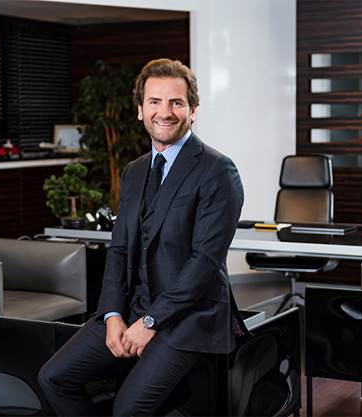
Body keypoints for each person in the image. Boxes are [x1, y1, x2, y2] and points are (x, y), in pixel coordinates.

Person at [38, 58, 246, 416]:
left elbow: (204, 264)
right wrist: (112, 315)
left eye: (176, 102)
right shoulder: (134, 172)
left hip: (189, 317)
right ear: (140, 110)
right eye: (154, 102)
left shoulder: (218, 170)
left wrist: (151, 322)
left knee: (127, 409)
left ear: (193, 111)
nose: (164, 112)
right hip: (133, 309)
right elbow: (119, 251)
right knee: (53, 378)